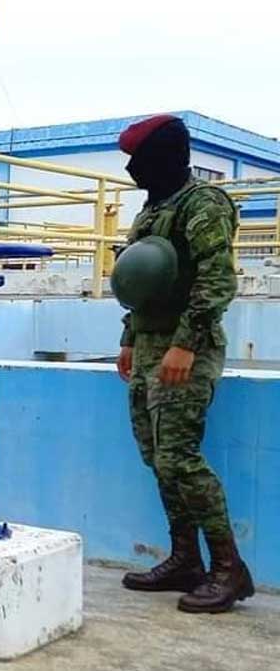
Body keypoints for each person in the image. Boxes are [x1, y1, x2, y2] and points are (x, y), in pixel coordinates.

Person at [113, 114, 253, 613]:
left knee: (179, 458)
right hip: (150, 342)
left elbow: (217, 281)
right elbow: (139, 285)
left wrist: (186, 344)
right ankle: (185, 559)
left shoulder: (203, 204)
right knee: (157, 457)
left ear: (166, 157)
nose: (131, 168)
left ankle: (228, 568)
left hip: (183, 347)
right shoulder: (152, 211)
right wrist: (130, 339)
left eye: (138, 159)